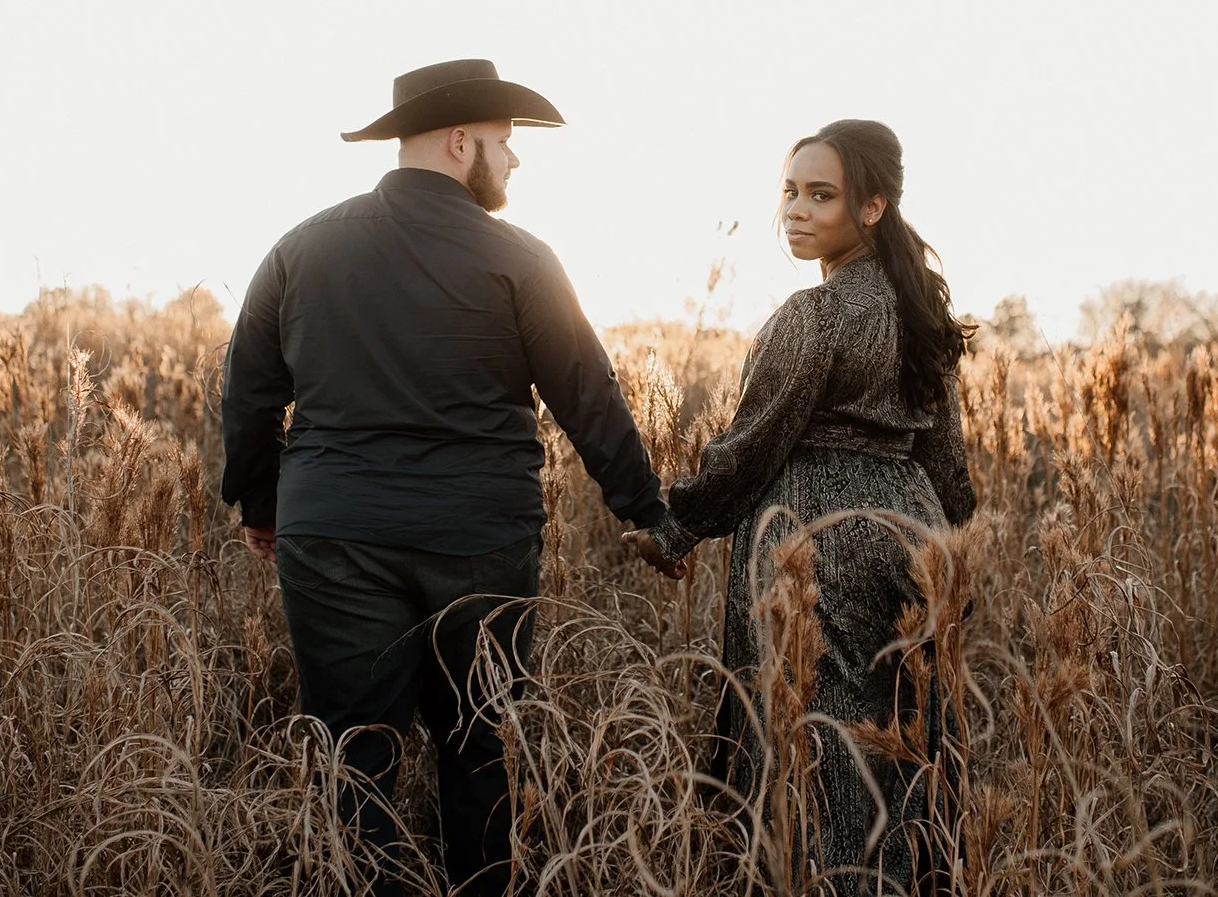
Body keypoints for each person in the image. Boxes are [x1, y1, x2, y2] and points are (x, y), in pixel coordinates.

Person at [221, 58, 686, 897]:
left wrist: (264, 503)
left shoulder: (299, 248)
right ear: (460, 139)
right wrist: (647, 510)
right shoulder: (520, 257)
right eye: (505, 145)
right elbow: (588, 392)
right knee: (482, 749)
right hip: (477, 539)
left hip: (332, 536)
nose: (514, 162)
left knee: (352, 755)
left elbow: (248, 388)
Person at [624, 119, 976, 894]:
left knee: (817, 737)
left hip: (815, 540)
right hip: (912, 535)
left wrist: (676, 526)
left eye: (822, 194)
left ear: (873, 206)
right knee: (905, 732)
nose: (797, 209)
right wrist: (954, 554)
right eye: (790, 190)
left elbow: (749, 446)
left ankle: (827, 879)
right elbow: (949, 463)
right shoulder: (920, 316)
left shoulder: (813, 318)